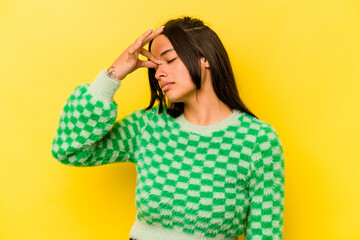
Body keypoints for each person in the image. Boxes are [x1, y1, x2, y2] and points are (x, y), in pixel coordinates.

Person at [51, 16, 285, 240]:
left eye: (169, 59)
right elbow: (69, 149)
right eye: (154, 66)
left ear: (205, 58)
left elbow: (266, 233)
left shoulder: (257, 140)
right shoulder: (148, 127)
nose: (159, 72)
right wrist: (115, 72)